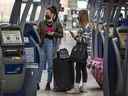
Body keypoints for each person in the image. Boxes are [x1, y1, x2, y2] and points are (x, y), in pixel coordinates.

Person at [38, 6, 63, 90]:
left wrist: (54, 34)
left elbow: (61, 34)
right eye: (46, 12)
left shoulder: (57, 24)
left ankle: (48, 83)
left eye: (48, 13)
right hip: (42, 44)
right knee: (40, 64)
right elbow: (37, 33)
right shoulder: (41, 23)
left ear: (53, 15)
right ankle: (37, 82)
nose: (46, 14)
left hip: (51, 44)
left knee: (50, 65)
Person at [67, 9, 92, 94]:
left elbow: (84, 40)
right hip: (85, 52)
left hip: (82, 52)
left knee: (78, 68)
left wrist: (75, 36)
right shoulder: (87, 26)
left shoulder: (86, 27)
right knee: (83, 68)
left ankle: (76, 88)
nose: (78, 17)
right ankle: (84, 87)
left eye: (79, 15)